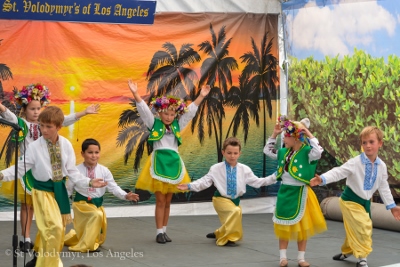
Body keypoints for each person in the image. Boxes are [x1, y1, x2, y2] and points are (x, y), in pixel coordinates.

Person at [0, 106, 107, 267]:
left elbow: (72, 172)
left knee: (55, 229)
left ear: (58, 127)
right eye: (41, 125)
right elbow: (20, 168)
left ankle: (38, 257)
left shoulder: (66, 145)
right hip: (42, 193)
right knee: (54, 228)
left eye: (48, 126)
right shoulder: (34, 147)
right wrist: (1, 175)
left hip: (59, 192)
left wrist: (90, 182)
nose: (44, 129)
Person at [127, 79, 210, 244]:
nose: (169, 117)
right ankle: (158, 232)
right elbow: (144, 111)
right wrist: (135, 94)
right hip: (159, 163)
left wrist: (201, 96)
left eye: (172, 114)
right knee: (160, 200)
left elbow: (190, 112)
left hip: (174, 164)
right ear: (160, 113)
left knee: (168, 201)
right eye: (166, 113)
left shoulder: (178, 125)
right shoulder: (154, 123)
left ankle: (164, 231)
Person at [310, 126, 400, 267]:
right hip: (350, 201)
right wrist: (322, 179)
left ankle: (347, 251)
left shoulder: (381, 166)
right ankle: (362, 258)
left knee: (354, 228)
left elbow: (383, 187)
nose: (368, 146)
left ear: (380, 143)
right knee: (364, 227)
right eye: (364, 142)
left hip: (364, 203)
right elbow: (338, 172)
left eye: (371, 142)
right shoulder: (355, 162)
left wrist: (393, 207)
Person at [177, 137, 277, 246]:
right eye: (229, 153)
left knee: (233, 215)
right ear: (223, 152)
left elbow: (257, 182)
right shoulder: (216, 168)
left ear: (239, 153)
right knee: (235, 212)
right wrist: (189, 186)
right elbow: (204, 181)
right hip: (220, 199)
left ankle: (219, 233)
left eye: (235, 153)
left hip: (235, 201)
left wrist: (275, 176)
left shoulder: (245, 169)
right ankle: (229, 238)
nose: (232, 156)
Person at [265, 115, 326, 267]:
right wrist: (274, 134)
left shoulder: (308, 153)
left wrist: (308, 133)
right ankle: (282, 257)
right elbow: (267, 151)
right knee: (283, 226)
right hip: (285, 191)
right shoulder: (284, 152)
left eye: (286, 135)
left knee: (302, 228)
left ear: (296, 138)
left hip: (301, 192)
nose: (284, 138)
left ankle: (301, 258)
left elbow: (318, 151)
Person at [64, 138, 140, 252]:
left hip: (97, 204)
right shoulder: (75, 171)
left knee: (97, 230)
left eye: (96, 152)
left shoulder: (104, 171)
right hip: (81, 205)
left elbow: (113, 187)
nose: (94, 156)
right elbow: (68, 189)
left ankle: (78, 240)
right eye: (90, 152)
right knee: (96, 215)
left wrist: (125, 196)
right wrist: (61, 205)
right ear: (82, 154)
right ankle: (86, 246)